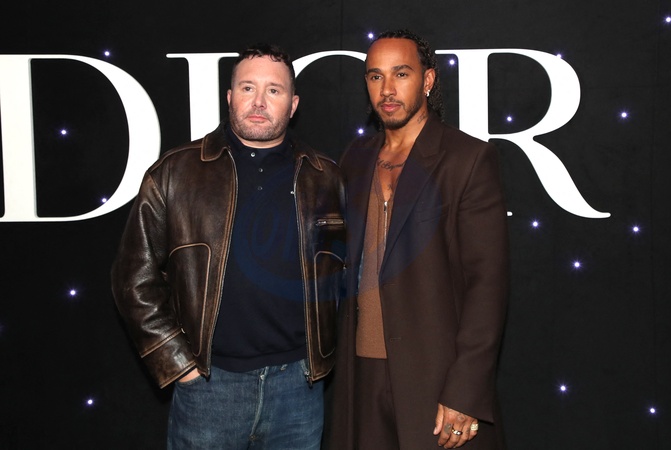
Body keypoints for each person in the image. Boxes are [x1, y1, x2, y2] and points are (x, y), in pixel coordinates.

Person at [111, 43, 346, 449]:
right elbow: (132, 279)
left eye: (274, 90)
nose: (259, 102)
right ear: (229, 96)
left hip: (298, 391)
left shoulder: (325, 177)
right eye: (247, 88)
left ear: (293, 105)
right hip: (209, 389)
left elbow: (345, 276)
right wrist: (180, 364)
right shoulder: (175, 172)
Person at [325, 29, 509, 449]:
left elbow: (488, 285)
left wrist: (465, 391)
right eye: (375, 76)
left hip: (435, 376)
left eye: (401, 74)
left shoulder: (467, 159)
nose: (387, 89)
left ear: (427, 80)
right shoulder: (354, 158)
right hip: (360, 375)